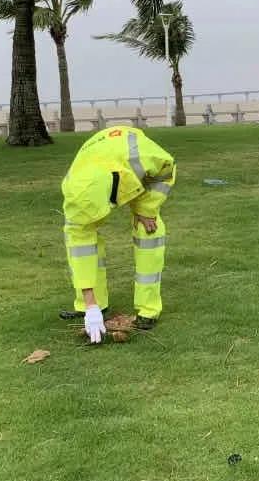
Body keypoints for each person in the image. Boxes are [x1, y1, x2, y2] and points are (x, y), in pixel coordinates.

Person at [59, 126, 176, 343]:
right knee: (82, 245)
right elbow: (79, 249)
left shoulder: (141, 156)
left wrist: (146, 209)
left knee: (148, 231)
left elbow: (166, 170)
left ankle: (148, 310)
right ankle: (93, 305)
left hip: (135, 173)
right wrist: (90, 304)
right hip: (103, 174)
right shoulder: (73, 189)